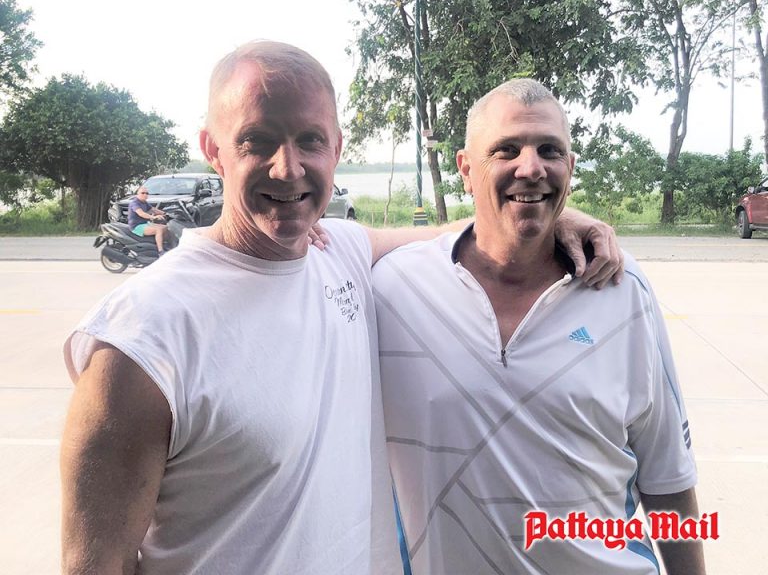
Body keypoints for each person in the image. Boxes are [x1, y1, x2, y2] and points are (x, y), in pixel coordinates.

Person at [60, 43, 622, 575]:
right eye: (257, 141)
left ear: (336, 148)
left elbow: (464, 230)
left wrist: (550, 217)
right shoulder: (144, 338)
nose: (288, 168)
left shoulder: (342, 253)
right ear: (213, 150)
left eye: (309, 140)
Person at [373, 79, 705, 575]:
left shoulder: (621, 286)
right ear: (466, 169)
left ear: (569, 167)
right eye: (506, 150)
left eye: (549, 150)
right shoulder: (393, 288)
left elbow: (668, 475)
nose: (531, 167)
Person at [128, 186, 170, 255]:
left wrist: (165, 214)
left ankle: (165, 245)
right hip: (137, 226)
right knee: (159, 229)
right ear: (137, 194)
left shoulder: (144, 202)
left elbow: (153, 209)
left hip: (145, 223)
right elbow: (141, 213)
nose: (145, 195)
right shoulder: (135, 203)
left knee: (165, 227)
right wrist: (153, 217)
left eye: (147, 193)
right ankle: (161, 251)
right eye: (142, 193)